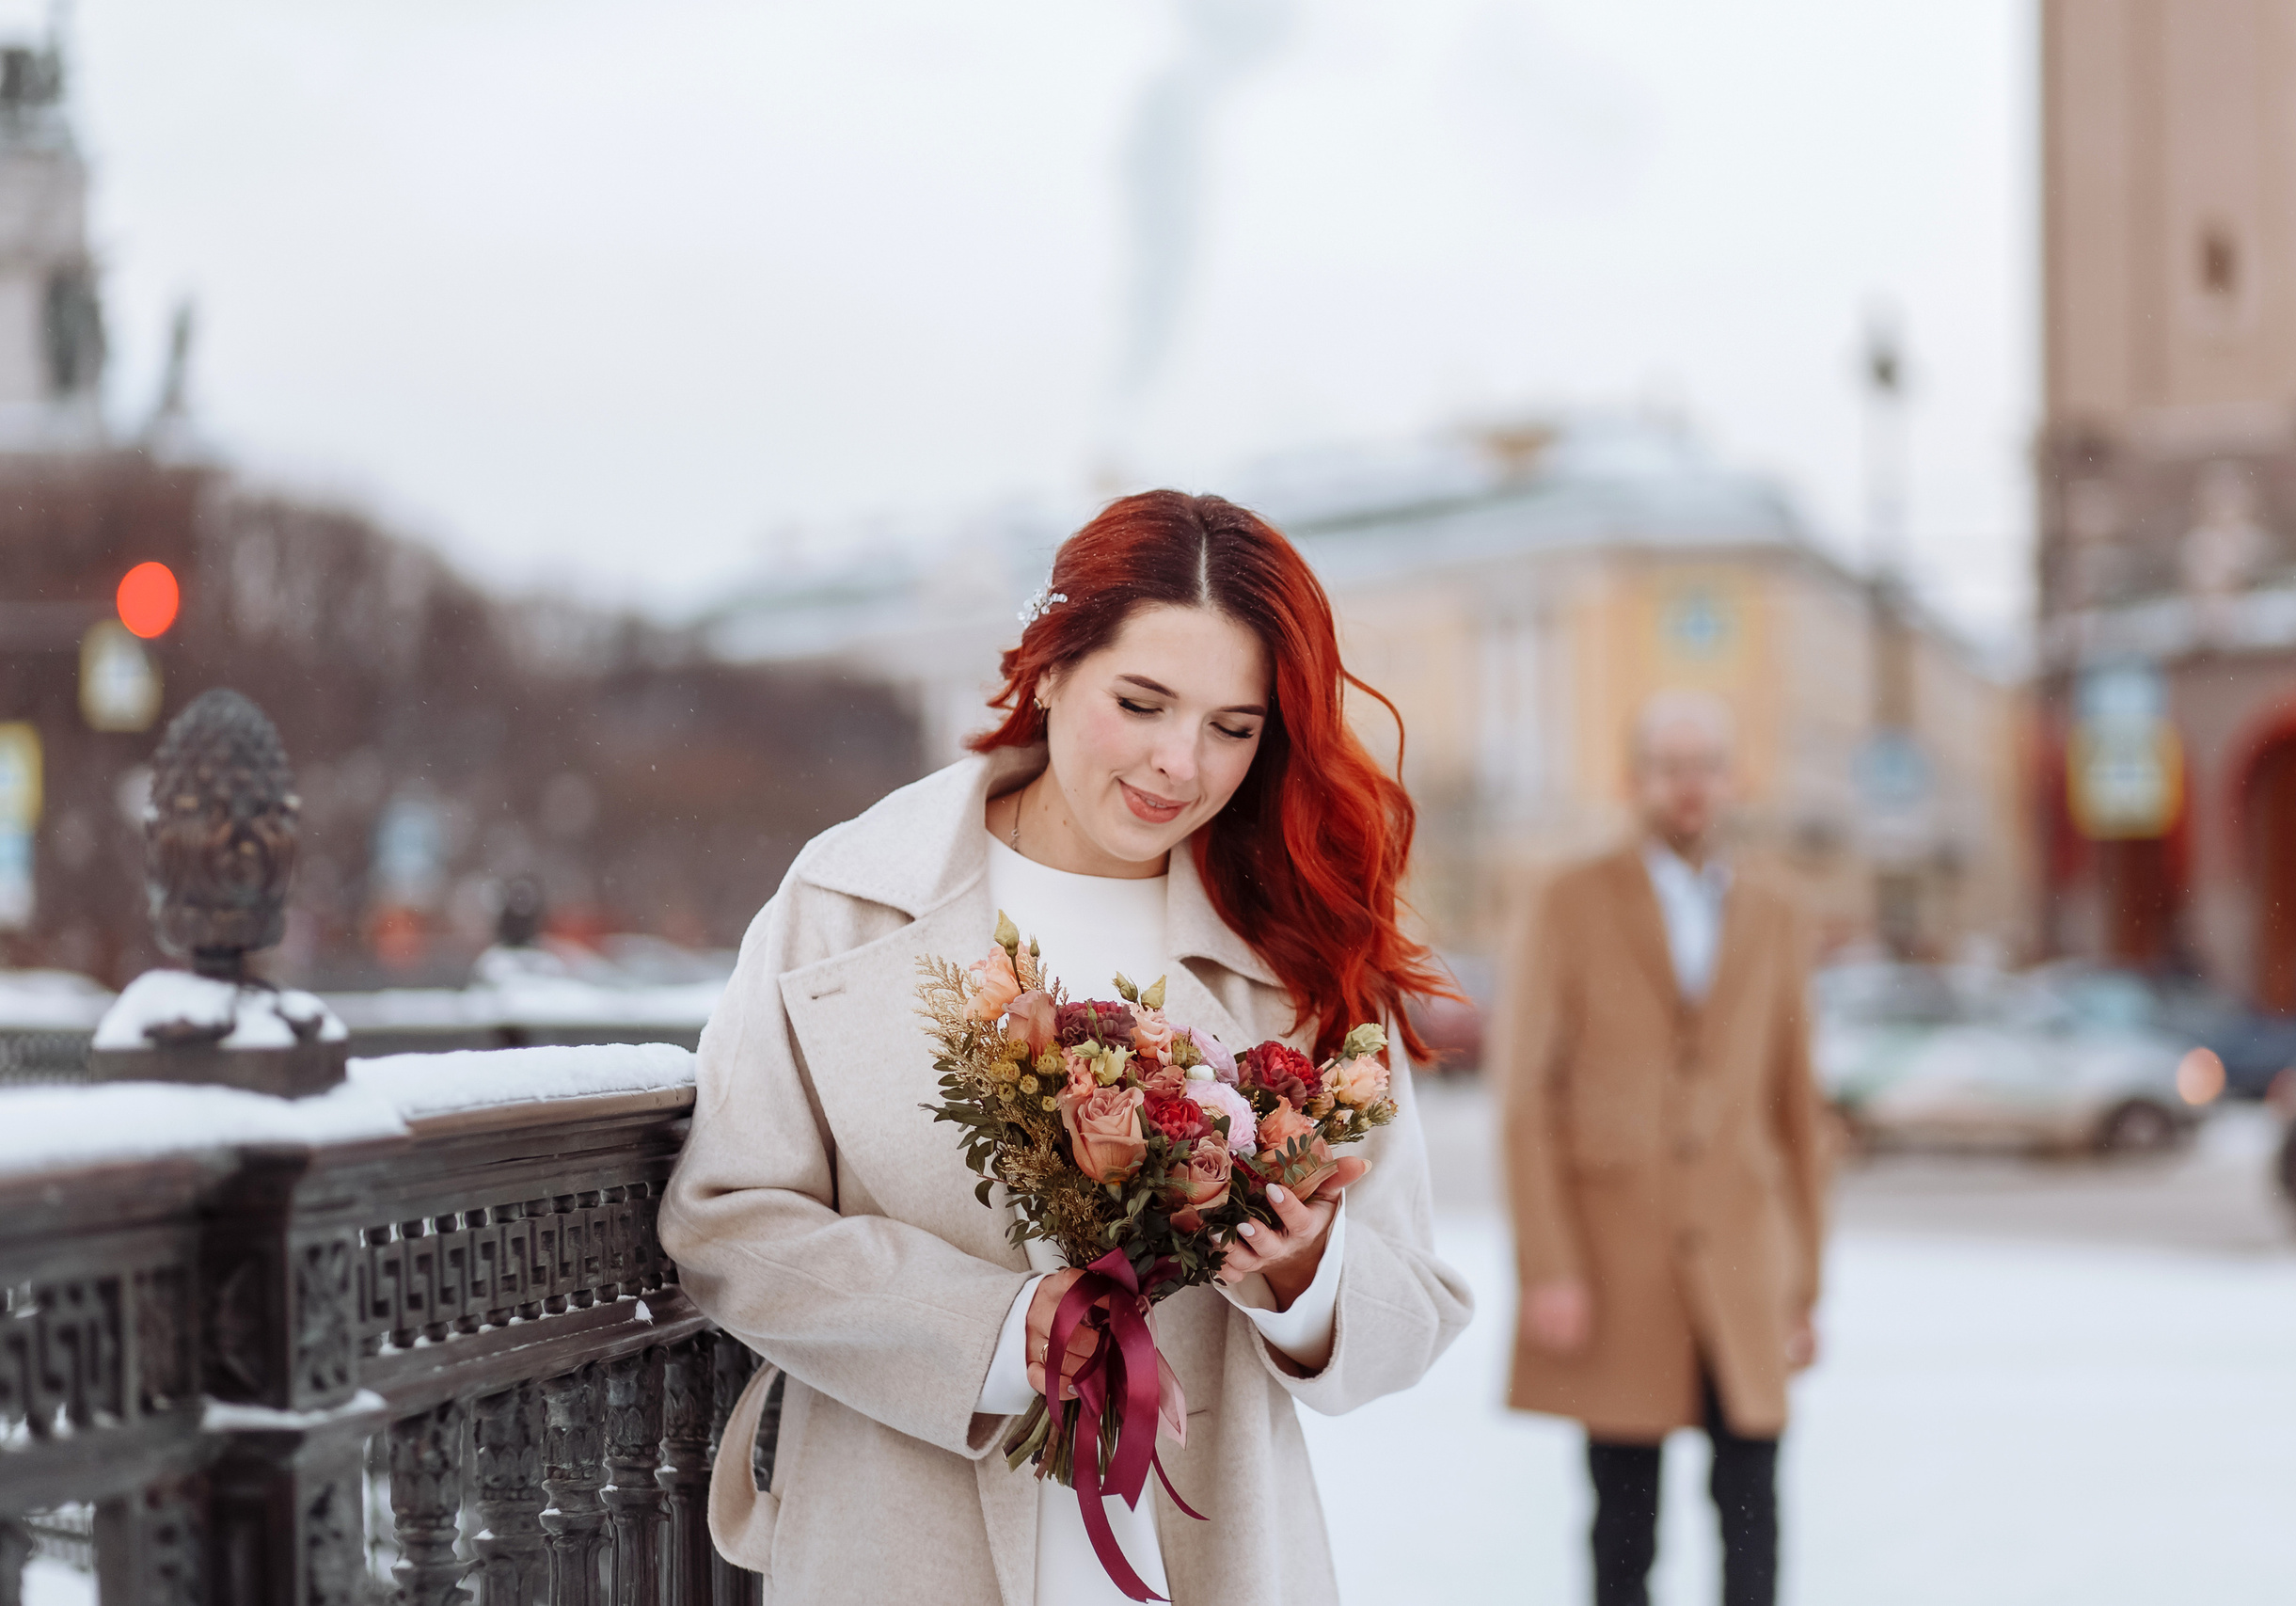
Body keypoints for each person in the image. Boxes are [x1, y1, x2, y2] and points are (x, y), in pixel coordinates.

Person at [659, 490, 1473, 1606]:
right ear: (1048, 668)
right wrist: (995, 1331)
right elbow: (728, 1223)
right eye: (1140, 703)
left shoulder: (1296, 950)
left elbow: (1410, 1315)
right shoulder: (847, 900)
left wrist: (1303, 1275)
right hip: (900, 1538)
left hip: (1199, 1548)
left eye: (1232, 728)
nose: (1178, 765)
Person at [1495, 688, 1828, 1606]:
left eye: (1707, 767)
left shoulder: (1777, 911)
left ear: (1733, 780)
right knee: (1622, 1520)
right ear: (1632, 780)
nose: (1690, 787)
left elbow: (1796, 1107)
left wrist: (1805, 1280)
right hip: (1615, 1258)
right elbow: (1526, 1099)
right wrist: (1548, 1268)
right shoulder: (1568, 902)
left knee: (1753, 1502)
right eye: (1670, 768)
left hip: (1744, 1256)